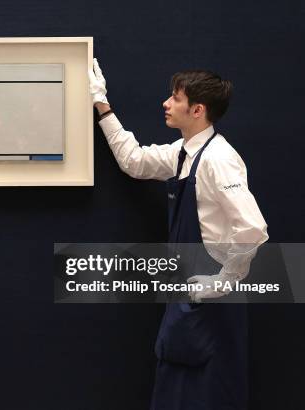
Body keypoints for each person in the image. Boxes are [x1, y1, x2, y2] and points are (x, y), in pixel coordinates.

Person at [88, 59, 268, 409]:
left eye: (175, 98)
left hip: (211, 306)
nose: (165, 104)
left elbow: (252, 228)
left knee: (210, 394)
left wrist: (223, 281)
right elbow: (134, 161)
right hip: (187, 296)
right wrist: (102, 104)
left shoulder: (218, 159)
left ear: (197, 109)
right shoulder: (183, 154)